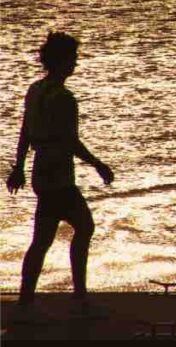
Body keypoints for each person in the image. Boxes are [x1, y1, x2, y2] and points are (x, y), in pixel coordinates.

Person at [6, 32, 115, 318]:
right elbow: (71, 142)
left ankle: (26, 302)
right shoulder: (65, 99)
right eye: (73, 58)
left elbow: (25, 132)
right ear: (63, 61)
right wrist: (98, 164)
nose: (76, 64)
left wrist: (18, 168)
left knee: (42, 238)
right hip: (58, 174)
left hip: (41, 172)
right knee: (84, 226)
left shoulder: (35, 90)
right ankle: (79, 301)